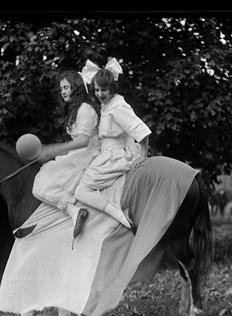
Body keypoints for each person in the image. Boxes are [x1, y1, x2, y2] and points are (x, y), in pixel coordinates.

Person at [73, 58, 151, 236]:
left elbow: (140, 130)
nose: (100, 94)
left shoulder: (117, 107)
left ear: (112, 88)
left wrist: (143, 155)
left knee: (81, 191)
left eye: (104, 90)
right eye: (97, 90)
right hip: (107, 154)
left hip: (114, 157)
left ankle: (119, 215)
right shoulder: (107, 104)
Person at [31, 69, 100, 232]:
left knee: (41, 185)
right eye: (62, 88)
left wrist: (54, 149)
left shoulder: (85, 109)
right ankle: (73, 210)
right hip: (78, 156)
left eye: (66, 87)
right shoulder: (76, 110)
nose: (63, 92)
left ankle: (74, 210)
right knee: (39, 184)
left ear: (75, 88)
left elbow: (83, 141)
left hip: (87, 158)